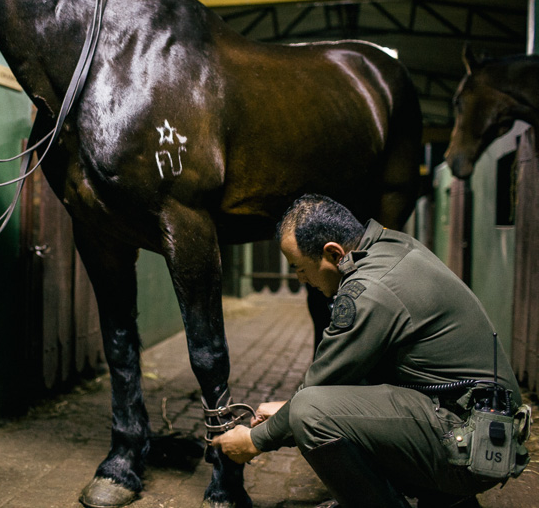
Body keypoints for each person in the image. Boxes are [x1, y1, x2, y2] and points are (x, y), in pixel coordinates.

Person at [210, 194, 529, 508]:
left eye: (300, 268)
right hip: (478, 419)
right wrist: (283, 412)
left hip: (472, 440)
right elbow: (347, 378)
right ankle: (447, 498)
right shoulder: (389, 245)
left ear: (333, 253)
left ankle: (435, 491)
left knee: (309, 412)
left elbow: (317, 390)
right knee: (310, 405)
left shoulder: (368, 289)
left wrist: (254, 441)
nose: (302, 280)